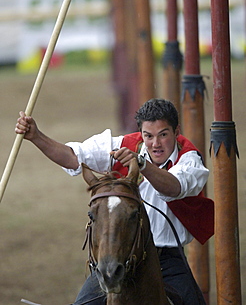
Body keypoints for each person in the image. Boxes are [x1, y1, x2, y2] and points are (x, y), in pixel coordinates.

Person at [15, 98, 214, 305]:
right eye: (149, 136)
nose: (155, 144)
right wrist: (36, 136)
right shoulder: (122, 145)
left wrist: (142, 164)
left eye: (163, 135)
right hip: (120, 252)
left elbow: (174, 187)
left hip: (167, 259)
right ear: (141, 133)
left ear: (176, 131)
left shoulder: (189, 158)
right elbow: (73, 157)